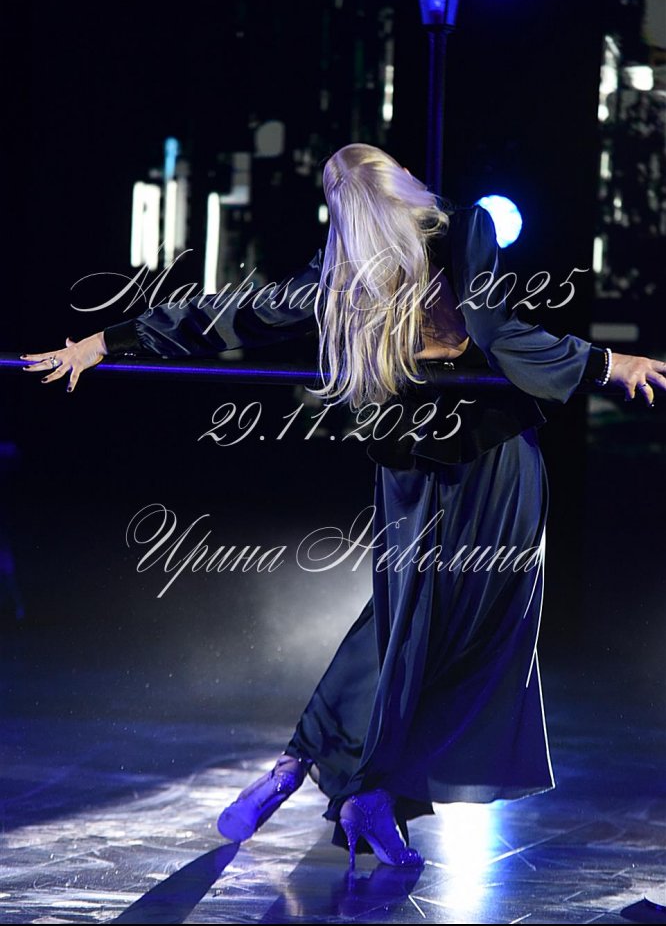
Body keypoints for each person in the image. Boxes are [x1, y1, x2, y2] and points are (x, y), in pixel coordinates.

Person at [20, 143, 666, 871]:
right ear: (401, 184)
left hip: (408, 457)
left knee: (401, 624)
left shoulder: (344, 268)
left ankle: (318, 773)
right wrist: (607, 363)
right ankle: (363, 787)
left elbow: (233, 314)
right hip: (491, 459)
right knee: (472, 631)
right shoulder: (462, 227)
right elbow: (498, 334)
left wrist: (108, 340)